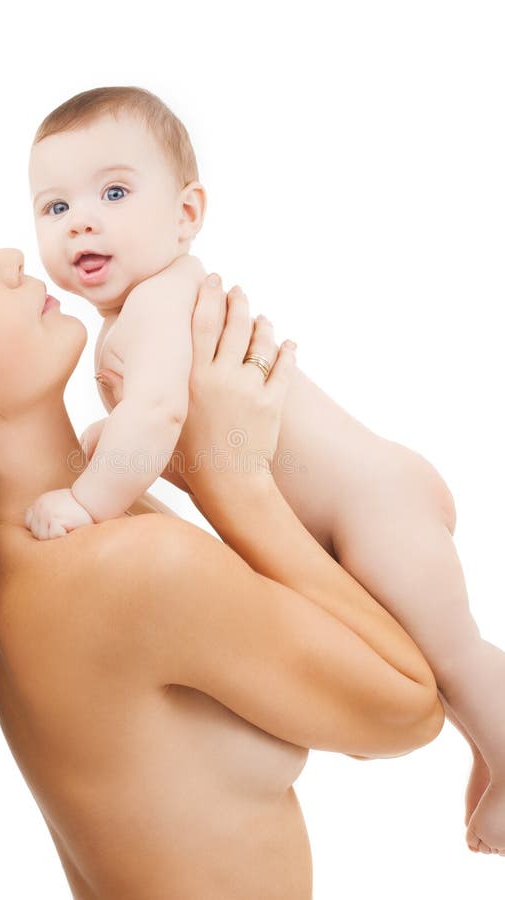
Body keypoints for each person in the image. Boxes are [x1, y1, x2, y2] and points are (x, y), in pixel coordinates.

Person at [0, 227, 443, 898]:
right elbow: (407, 713)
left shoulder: (47, 544)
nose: (9, 258)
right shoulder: (120, 567)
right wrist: (236, 485)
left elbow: (345, 705)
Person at [26, 85, 505, 855]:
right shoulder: (157, 304)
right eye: (54, 207)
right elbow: (162, 430)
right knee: (433, 660)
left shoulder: (155, 305)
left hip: (372, 511)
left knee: (451, 659)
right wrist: (100, 439)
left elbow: (158, 417)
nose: (80, 220)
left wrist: (87, 502)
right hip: (367, 502)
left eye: (113, 193)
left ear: (186, 213)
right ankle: (489, 750)